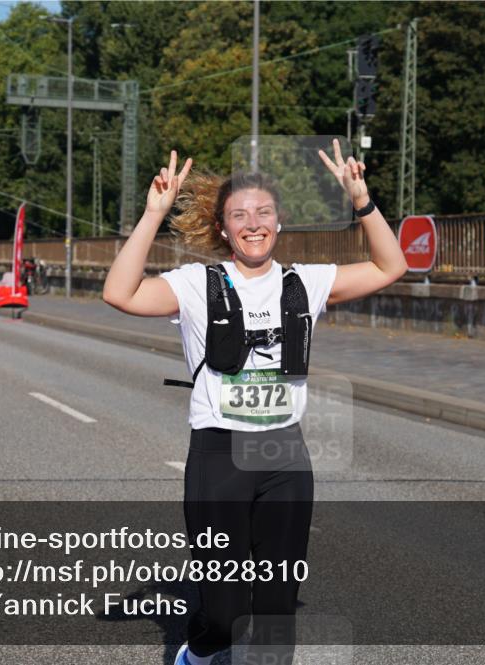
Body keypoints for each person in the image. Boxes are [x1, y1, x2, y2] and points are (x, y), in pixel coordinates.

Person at [103, 141, 407, 665]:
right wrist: (153, 214)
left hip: (284, 459)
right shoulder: (196, 284)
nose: (252, 222)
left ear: (279, 223)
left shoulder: (306, 283)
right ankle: (199, 653)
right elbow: (120, 293)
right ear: (223, 229)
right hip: (218, 456)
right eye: (239, 215)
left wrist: (362, 201)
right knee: (223, 612)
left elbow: (390, 266)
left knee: (274, 607)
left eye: (263, 212)